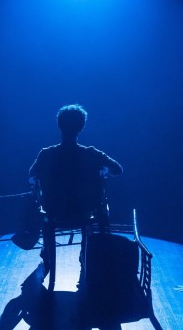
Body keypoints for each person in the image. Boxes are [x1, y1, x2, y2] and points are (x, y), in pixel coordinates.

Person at [29, 104, 122, 290]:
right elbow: (118, 169)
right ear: (81, 127)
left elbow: (32, 176)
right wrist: (103, 170)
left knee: (40, 208)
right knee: (102, 209)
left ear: (59, 126)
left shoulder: (46, 154)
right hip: (84, 211)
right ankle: (87, 255)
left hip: (55, 212)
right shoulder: (91, 154)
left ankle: (46, 254)